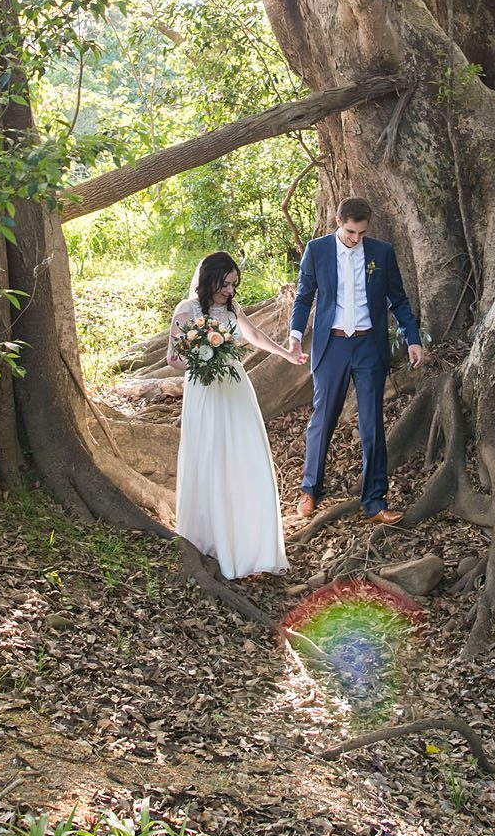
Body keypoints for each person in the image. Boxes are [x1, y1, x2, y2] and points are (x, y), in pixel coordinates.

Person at [288, 198, 424, 525]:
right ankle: (310, 489)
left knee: (372, 423)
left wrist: (413, 338)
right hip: (332, 344)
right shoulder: (317, 250)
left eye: (362, 233)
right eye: (350, 231)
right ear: (338, 221)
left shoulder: (381, 252)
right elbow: (305, 295)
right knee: (324, 417)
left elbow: (398, 298)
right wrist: (294, 334)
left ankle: (375, 501)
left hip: (368, 345)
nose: (355, 239)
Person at [169, 253, 298, 579]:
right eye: (225, 283)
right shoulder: (187, 310)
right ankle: (211, 542)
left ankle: (249, 543)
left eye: (233, 284)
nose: (229, 290)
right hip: (204, 391)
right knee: (210, 457)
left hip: (235, 388)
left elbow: (253, 335)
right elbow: (173, 358)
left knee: (245, 455)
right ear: (210, 278)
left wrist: (285, 353)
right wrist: (203, 362)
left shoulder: (230, 310)